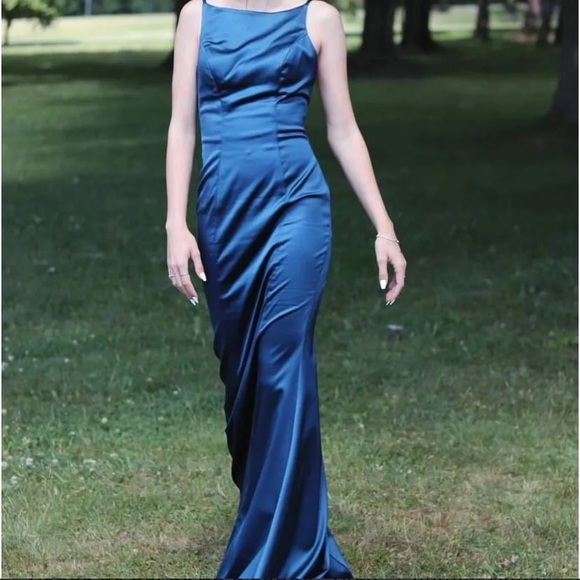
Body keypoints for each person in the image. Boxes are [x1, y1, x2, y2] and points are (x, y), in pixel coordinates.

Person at [164, 0, 407, 577]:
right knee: (243, 377)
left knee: (283, 364)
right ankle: (269, 511)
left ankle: (285, 553)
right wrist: (175, 223)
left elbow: (343, 129)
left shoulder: (319, 18)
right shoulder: (196, 15)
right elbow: (181, 126)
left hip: (297, 206)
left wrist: (384, 227)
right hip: (224, 211)